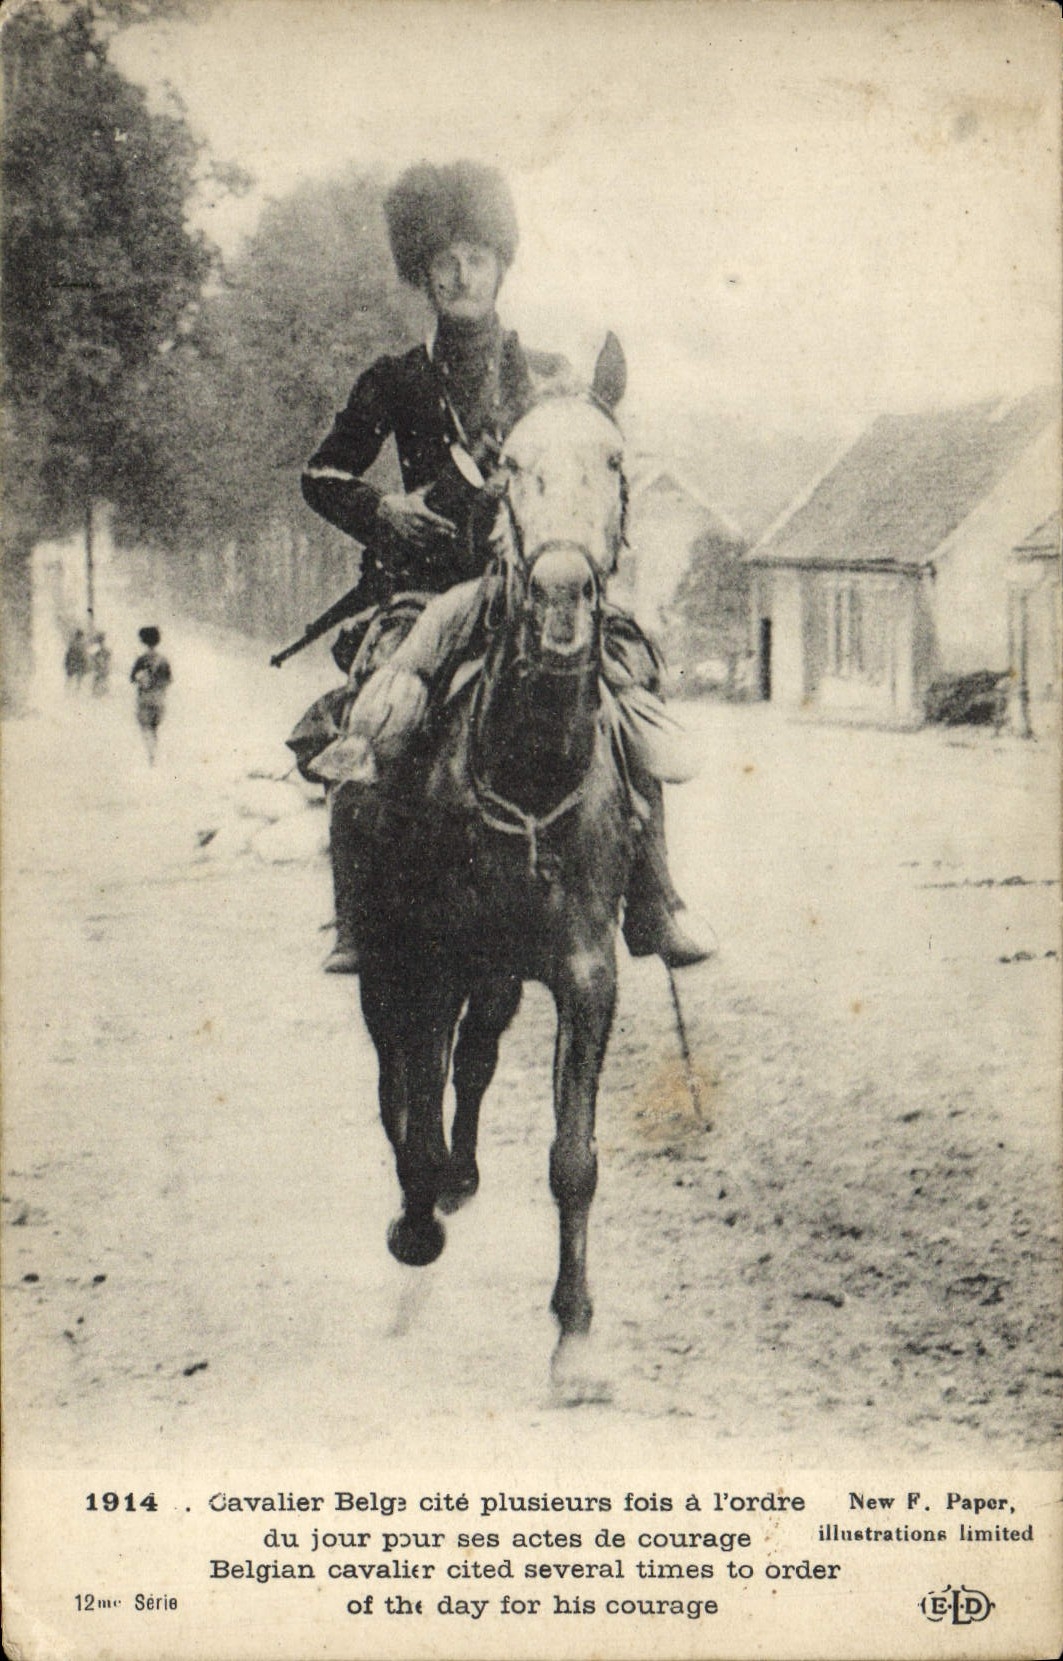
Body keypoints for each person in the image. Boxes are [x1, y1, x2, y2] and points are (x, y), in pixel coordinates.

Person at [299, 161, 713, 975]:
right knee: (372, 712)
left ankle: (655, 898)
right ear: (423, 273)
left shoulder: (548, 373)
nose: (461, 274)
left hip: (537, 582)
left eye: (477, 258)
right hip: (424, 592)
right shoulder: (390, 381)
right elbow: (320, 477)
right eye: (445, 260)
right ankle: (356, 914)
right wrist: (383, 510)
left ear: (500, 267)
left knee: (626, 689)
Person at [130, 626, 172, 764]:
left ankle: (151, 754)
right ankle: (153, 753)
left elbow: (132, 678)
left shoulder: (141, 659)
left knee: (145, 727)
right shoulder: (164, 660)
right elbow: (169, 680)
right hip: (159, 699)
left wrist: (142, 679)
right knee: (154, 728)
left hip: (145, 698)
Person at [64, 628, 88, 692]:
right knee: (77, 679)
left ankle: (69, 690)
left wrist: (67, 664)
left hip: (73, 663)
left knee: (70, 679)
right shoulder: (81, 645)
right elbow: (83, 656)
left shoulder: (72, 644)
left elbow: (68, 655)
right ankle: (76, 690)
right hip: (77, 663)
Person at [89, 631, 112, 697]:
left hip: (101, 668)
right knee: (101, 680)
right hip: (103, 668)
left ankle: (98, 692)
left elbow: (94, 659)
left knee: (99, 680)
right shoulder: (105, 650)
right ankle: (101, 692)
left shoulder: (99, 650)